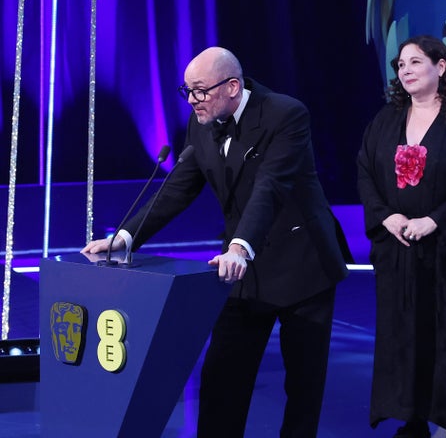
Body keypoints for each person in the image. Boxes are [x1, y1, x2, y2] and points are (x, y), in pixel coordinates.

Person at [82, 46, 350, 437]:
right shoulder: (202, 122)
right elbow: (178, 188)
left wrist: (239, 246)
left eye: (200, 91)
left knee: (303, 389)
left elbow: (269, 187)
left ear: (232, 86)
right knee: (223, 381)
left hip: (302, 265)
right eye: (186, 91)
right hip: (239, 271)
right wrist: (125, 237)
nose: (192, 101)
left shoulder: (286, 114)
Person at [357, 35, 446, 438]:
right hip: (399, 254)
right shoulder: (385, 120)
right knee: (405, 336)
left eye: (415, 62)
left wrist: (434, 220)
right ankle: (411, 417)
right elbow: (365, 171)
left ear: (441, 67)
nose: (405, 71)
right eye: (401, 65)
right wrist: (386, 218)